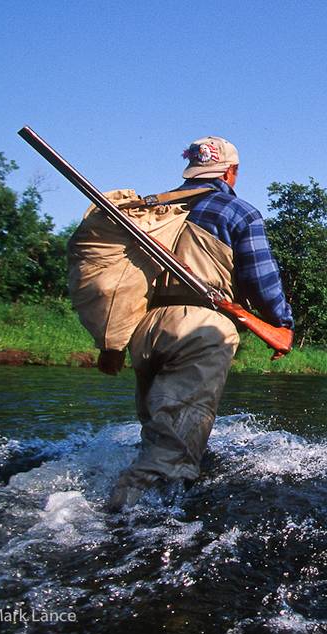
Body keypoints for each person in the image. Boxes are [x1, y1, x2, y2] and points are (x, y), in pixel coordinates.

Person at [105, 136, 294, 511]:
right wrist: (282, 324)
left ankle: (152, 503)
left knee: (159, 432)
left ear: (190, 170)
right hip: (199, 330)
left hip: (145, 329)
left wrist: (108, 345)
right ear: (231, 172)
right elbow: (262, 280)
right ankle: (122, 522)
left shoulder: (155, 210)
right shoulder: (237, 212)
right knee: (170, 454)